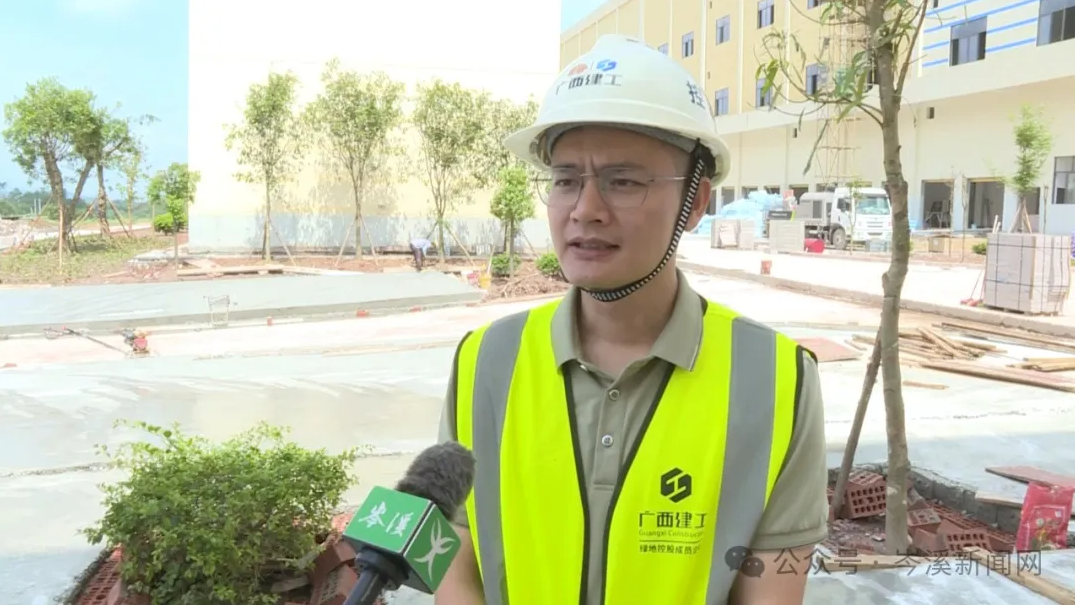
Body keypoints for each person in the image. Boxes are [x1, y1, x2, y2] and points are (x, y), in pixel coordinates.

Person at [435, 34, 827, 605]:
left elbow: (771, 589)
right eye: (566, 180)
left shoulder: (774, 379)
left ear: (696, 203)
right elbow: (456, 561)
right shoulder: (486, 362)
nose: (585, 209)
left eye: (623, 181)